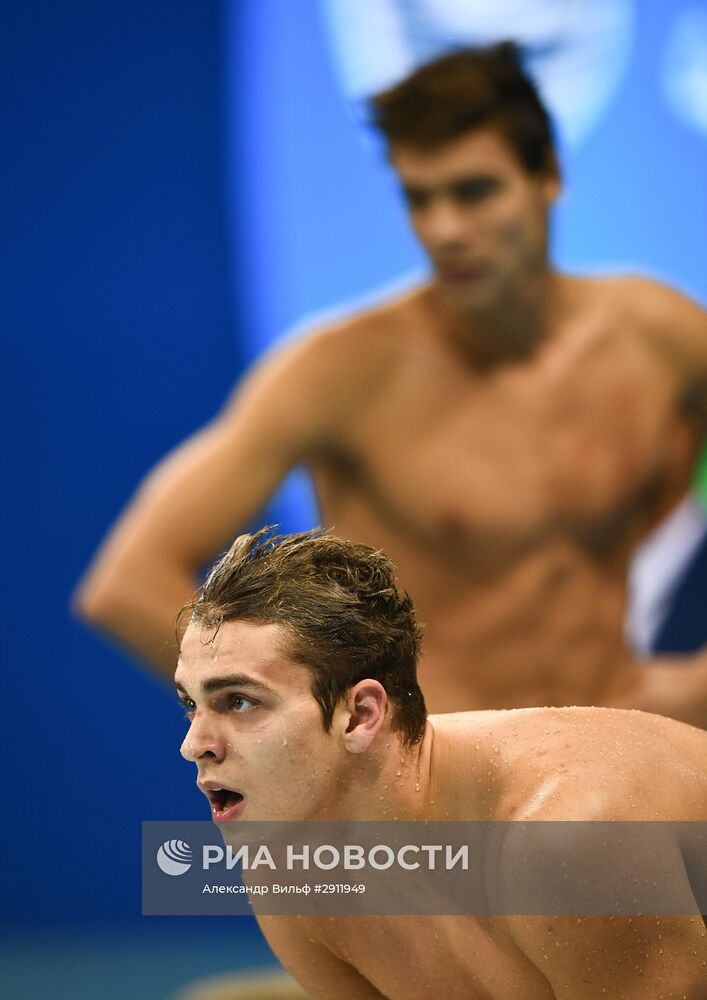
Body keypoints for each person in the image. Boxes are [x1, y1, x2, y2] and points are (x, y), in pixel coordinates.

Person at [74, 42, 707, 724]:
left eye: (473, 192)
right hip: (441, 785)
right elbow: (127, 583)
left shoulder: (658, 336)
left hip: (610, 762)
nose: (444, 230)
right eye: (418, 199)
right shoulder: (342, 371)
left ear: (547, 174)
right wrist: (310, 710)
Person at [175, 528, 707, 1000]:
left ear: (360, 716)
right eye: (191, 704)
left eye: (239, 701)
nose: (194, 744)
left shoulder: (573, 837)